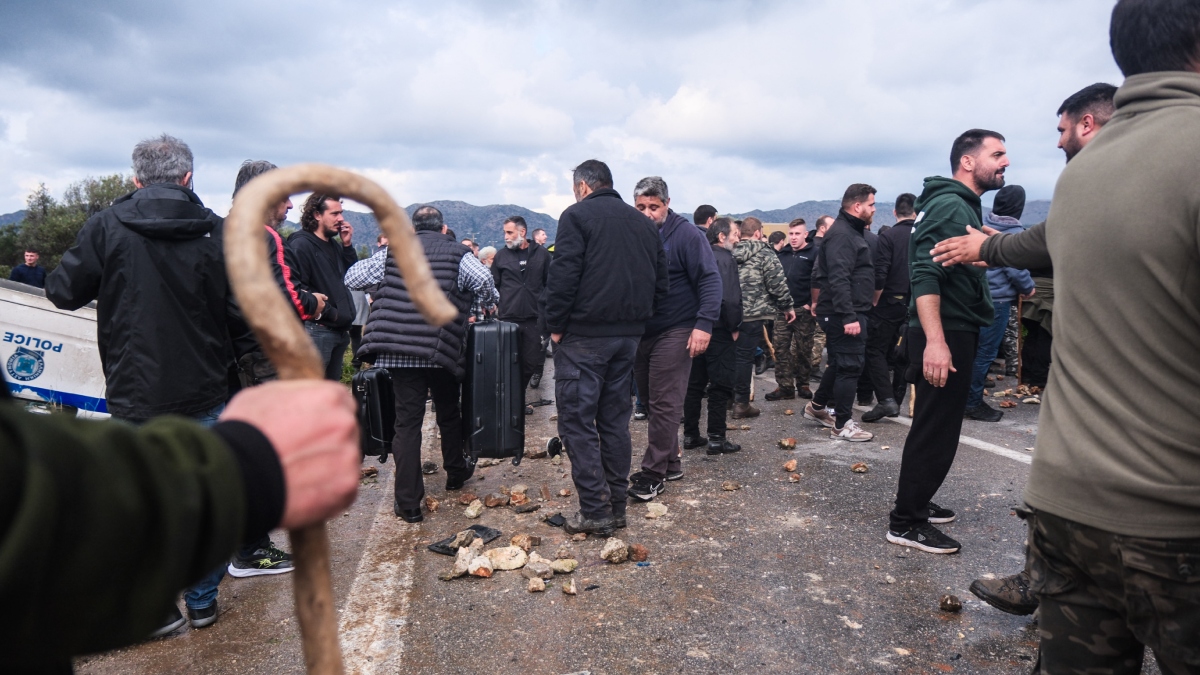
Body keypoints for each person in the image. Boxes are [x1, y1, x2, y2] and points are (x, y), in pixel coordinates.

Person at [0, 379, 361, 673]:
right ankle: (184, 604)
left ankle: (189, 605)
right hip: (165, 390)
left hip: (152, 386)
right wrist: (238, 469)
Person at [44, 134, 256, 632]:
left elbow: (61, 291)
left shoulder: (106, 226)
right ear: (188, 178)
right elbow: (242, 316)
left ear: (136, 180)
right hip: (206, 386)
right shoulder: (220, 232)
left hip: (135, 390)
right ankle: (202, 600)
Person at [928, 86, 1117, 617]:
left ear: (1085, 124)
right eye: (999, 154)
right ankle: (1053, 583)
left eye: (1060, 131)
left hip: (1114, 359)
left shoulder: (1103, 171)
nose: (1057, 144)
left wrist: (989, 246)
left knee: (1070, 466)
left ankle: (1048, 582)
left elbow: (1060, 240)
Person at [887, 129, 1006, 555]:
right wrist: (936, 342)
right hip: (945, 330)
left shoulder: (958, 204)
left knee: (937, 424)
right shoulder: (951, 204)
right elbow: (925, 273)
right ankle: (906, 521)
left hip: (952, 327)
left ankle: (917, 500)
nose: (1005, 161)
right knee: (936, 428)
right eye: (997, 154)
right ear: (968, 162)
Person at [345, 205, 497, 523]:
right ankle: (455, 471)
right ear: (443, 229)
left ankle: (409, 503)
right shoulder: (458, 253)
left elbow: (352, 278)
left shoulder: (392, 252)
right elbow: (485, 282)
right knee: (448, 412)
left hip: (399, 351)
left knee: (407, 423)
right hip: (441, 350)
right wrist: (481, 303)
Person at [543, 159, 667, 535]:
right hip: (627, 337)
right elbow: (661, 285)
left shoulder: (577, 217)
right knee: (615, 422)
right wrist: (639, 324)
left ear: (582, 186)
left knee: (578, 424)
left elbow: (563, 275)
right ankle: (615, 507)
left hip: (584, 337)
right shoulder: (644, 224)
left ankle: (595, 511)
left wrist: (556, 327)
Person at [627, 176, 721, 501]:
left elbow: (710, 279)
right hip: (643, 330)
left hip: (678, 326)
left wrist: (704, 324)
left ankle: (652, 474)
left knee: (665, 402)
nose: (647, 213)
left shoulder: (686, 235)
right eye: (640, 207)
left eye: (654, 206)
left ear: (666, 204)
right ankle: (672, 461)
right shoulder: (635, 235)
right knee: (652, 400)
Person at [232, 160, 326, 388]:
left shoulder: (219, 231)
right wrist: (313, 302)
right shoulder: (267, 238)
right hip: (266, 360)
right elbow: (289, 300)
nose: (290, 205)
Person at [803, 184, 876, 442]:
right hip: (843, 313)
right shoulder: (844, 234)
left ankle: (817, 406)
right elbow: (839, 277)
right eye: (871, 205)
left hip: (845, 311)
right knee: (850, 366)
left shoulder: (849, 231)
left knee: (842, 363)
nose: (874, 209)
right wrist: (849, 316)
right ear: (857, 206)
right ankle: (842, 424)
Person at [963, 185, 1034, 422]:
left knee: (970, 350)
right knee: (985, 352)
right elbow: (1016, 268)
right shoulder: (1013, 234)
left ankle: (961, 397)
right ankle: (972, 402)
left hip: (973, 296)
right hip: (999, 300)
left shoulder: (980, 225)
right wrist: (1028, 288)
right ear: (1019, 207)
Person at [682, 218, 743, 456]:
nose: (738, 239)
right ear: (721, 236)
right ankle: (717, 437)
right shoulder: (725, 259)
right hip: (718, 329)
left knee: (694, 384)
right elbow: (730, 297)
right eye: (735, 234)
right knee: (720, 384)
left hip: (695, 327)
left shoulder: (699, 257)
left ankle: (690, 434)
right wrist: (734, 325)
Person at [287, 194, 358, 381]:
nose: (341, 218)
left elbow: (350, 277)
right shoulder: (300, 244)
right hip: (316, 331)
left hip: (338, 332)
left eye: (341, 213)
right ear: (317, 214)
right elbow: (295, 287)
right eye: (334, 213)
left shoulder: (333, 245)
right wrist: (328, 313)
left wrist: (347, 245)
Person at [861, 193, 917, 422]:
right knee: (904, 354)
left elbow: (881, 272)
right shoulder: (923, 236)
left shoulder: (889, 236)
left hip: (889, 301)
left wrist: (874, 299)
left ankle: (886, 400)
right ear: (916, 212)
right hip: (917, 301)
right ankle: (896, 397)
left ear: (895, 212)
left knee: (875, 350)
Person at [731, 217, 794, 419]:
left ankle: (726, 398)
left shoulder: (729, 251)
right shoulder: (766, 253)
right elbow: (777, 283)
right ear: (758, 233)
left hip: (728, 313)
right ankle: (740, 403)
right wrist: (787, 306)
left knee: (727, 357)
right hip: (754, 313)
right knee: (743, 358)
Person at [491, 215, 551, 408]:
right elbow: (494, 284)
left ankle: (517, 395)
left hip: (535, 318)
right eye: (505, 233)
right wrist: (495, 305)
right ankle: (511, 402)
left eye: (509, 232)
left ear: (522, 232)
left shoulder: (542, 254)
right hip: (509, 318)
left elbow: (549, 284)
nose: (506, 237)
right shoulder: (501, 256)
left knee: (531, 361)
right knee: (508, 362)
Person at [767, 218, 817, 400]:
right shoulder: (783, 254)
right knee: (781, 349)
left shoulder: (814, 253)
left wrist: (811, 302)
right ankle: (785, 386)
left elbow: (818, 280)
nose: (794, 238)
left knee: (804, 349)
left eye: (797, 234)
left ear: (805, 234)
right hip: (783, 309)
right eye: (791, 234)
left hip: (803, 309)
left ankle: (803, 384)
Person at [808, 215, 834, 377]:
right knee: (819, 334)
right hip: (818, 298)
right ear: (822, 228)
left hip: (807, 297)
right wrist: (815, 301)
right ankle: (814, 366)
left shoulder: (808, 246)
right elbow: (816, 275)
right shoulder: (823, 248)